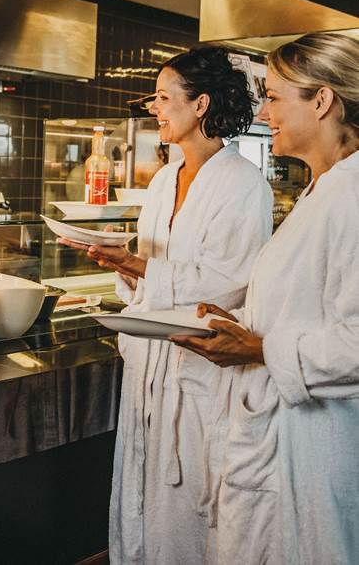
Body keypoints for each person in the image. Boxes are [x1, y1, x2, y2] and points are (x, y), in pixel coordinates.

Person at [60, 45, 273, 563]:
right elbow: (149, 269)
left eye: (162, 97)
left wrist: (138, 266)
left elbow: (229, 287)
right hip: (148, 370)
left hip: (197, 376)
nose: (154, 108)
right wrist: (122, 265)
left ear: (200, 105)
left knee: (189, 508)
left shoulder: (245, 185)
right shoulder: (161, 180)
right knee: (139, 493)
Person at [174, 32, 359, 564]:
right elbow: (306, 306)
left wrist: (259, 350)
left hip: (317, 458)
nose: (264, 110)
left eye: (275, 96)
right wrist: (239, 322)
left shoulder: (350, 196)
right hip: (285, 448)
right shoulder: (321, 189)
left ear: (321, 101)